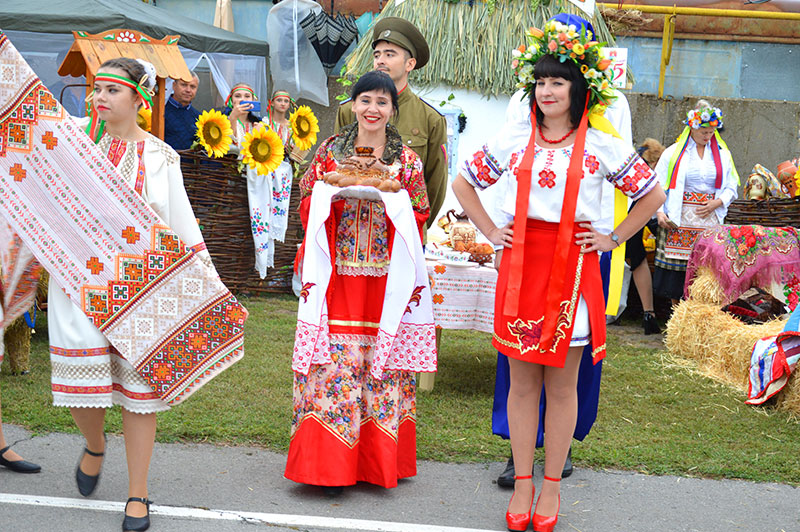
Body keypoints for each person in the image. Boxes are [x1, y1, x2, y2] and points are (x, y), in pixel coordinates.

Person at [452, 17, 664, 532]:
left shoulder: (602, 145)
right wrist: (491, 230)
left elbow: (652, 195)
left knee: (562, 386)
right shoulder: (514, 137)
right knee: (521, 385)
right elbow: (464, 184)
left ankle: (551, 487)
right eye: (540, 82)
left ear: (578, 88)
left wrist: (613, 237)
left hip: (571, 267)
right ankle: (521, 483)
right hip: (521, 264)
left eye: (558, 81)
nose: (547, 91)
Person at [49, 57, 212, 532]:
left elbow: (181, 225)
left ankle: (137, 492)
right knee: (83, 391)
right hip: (79, 282)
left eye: (112, 91)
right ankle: (95, 444)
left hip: (143, 289)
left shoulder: (161, 159)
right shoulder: (72, 141)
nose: (99, 97)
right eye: (97, 89)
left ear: (140, 100)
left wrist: (204, 286)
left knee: (140, 395)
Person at [286, 70, 435, 495]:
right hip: (336, 274)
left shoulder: (406, 161)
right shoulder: (331, 152)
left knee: (380, 362)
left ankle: (374, 465)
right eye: (365, 100)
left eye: (382, 102)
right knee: (332, 363)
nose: (373, 109)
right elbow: (306, 197)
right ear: (352, 104)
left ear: (393, 109)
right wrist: (329, 199)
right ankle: (325, 467)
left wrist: (394, 206)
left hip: (385, 280)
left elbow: (420, 211)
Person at [335, 17, 447, 235]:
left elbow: (435, 185)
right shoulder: (350, 111)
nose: (380, 61)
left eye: (390, 54)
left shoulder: (430, 119)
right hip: (352, 230)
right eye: (377, 55)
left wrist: (415, 229)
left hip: (404, 232)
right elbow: (338, 167)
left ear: (410, 64)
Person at [653, 100, 739, 305]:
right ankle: (677, 317)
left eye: (711, 132)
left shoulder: (722, 154)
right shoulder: (674, 153)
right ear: (692, 126)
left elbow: (731, 185)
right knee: (678, 273)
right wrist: (659, 212)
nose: (707, 136)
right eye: (703, 131)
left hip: (708, 219)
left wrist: (717, 202)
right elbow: (657, 183)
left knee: (705, 271)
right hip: (679, 219)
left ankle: (701, 315)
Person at [224, 85, 295, 277]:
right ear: (231, 100)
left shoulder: (261, 125)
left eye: (247, 96)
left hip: (259, 180)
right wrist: (232, 118)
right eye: (237, 96)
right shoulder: (224, 122)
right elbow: (229, 145)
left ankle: (259, 267)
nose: (242, 99)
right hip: (233, 182)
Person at [163, 72, 201, 151]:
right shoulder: (160, 112)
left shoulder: (199, 117)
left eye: (192, 87)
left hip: (189, 162)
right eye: (184, 85)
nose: (188, 90)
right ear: (174, 86)